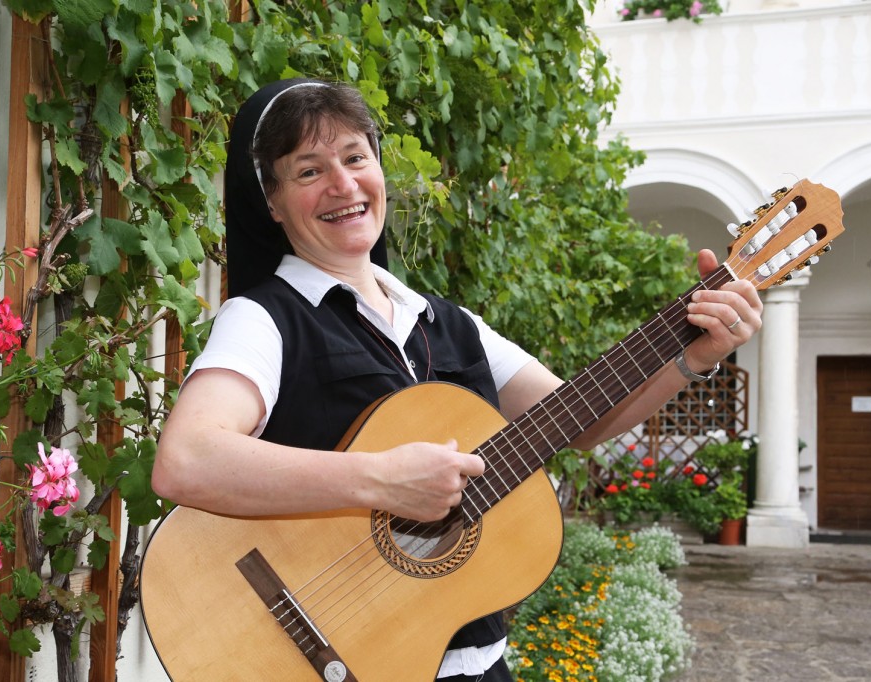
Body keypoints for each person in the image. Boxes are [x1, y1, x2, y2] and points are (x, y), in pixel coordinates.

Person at [151, 78, 763, 681]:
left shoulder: (449, 323)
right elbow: (186, 459)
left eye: (356, 158)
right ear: (273, 202)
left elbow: (580, 419)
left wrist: (692, 357)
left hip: (479, 667)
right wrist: (381, 480)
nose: (343, 184)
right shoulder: (263, 319)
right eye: (309, 171)